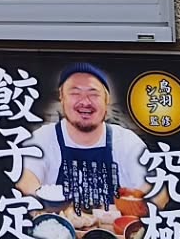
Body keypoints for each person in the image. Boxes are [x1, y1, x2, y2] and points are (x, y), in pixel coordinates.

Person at [18, 63, 148, 212]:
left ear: (107, 100)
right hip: (59, 230)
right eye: (75, 93)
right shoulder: (43, 138)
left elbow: (157, 190)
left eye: (94, 94)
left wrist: (139, 203)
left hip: (116, 232)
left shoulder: (127, 142)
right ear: (62, 98)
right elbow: (25, 179)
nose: (85, 102)